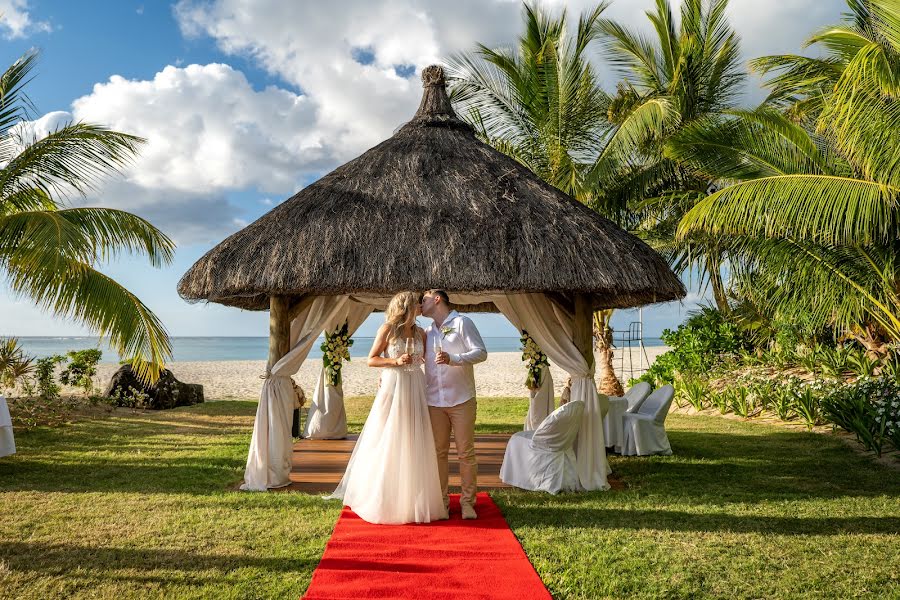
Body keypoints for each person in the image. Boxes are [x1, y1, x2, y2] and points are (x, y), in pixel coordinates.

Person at [329, 292, 446, 524]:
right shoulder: (388, 330)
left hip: (415, 387)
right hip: (395, 387)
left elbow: (425, 361)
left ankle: (413, 498)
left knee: (415, 440)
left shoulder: (422, 333)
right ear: (406, 307)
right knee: (389, 437)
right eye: (417, 304)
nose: (421, 306)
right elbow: (371, 359)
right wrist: (394, 362)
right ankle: (385, 497)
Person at [421, 289, 487, 520]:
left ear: (437, 299)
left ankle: (468, 503)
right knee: (438, 453)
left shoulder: (462, 323)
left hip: (461, 399)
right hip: (434, 401)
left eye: (424, 299)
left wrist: (454, 359)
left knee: (465, 453)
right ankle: (442, 502)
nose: (421, 304)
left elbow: (481, 353)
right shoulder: (427, 332)